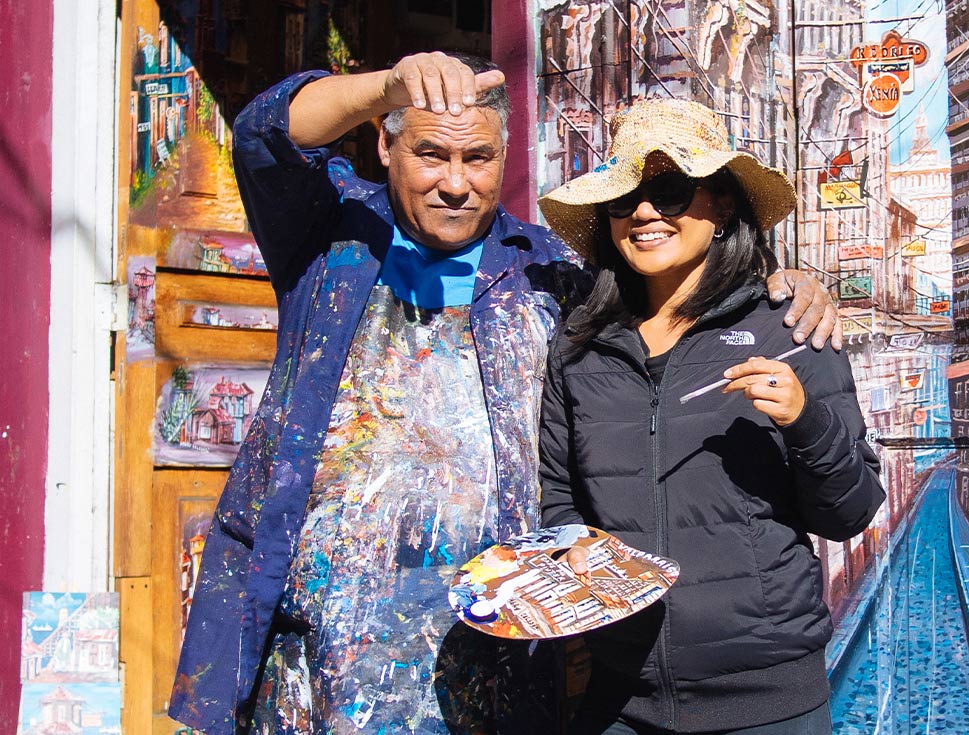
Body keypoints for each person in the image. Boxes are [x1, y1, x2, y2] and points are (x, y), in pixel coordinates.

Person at [168, 52, 841, 735]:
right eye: (431, 154)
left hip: (501, 652)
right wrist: (384, 88)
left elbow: (676, 297)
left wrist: (782, 287)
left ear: (505, 157)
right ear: (385, 145)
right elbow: (264, 135)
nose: (455, 183)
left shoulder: (552, 274)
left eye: (479, 158)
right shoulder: (329, 238)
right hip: (325, 648)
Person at [537, 98, 886, 734]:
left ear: (721, 206)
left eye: (670, 191)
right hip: (619, 698)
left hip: (767, 705)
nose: (645, 212)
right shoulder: (580, 346)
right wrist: (575, 547)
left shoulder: (789, 329)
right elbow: (560, 496)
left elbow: (850, 513)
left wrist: (805, 420)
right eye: (624, 198)